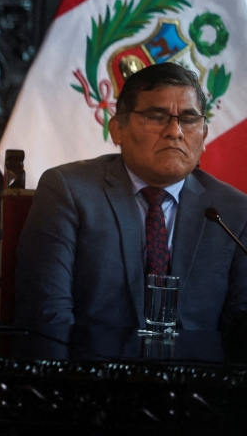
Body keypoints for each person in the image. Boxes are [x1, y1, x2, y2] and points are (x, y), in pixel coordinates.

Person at [15, 62, 247, 332]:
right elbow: (47, 315)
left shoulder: (232, 211)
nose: (174, 132)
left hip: (196, 371)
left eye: (188, 119)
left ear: (204, 135)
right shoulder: (70, 191)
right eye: (156, 116)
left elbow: (240, 330)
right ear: (118, 129)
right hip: (91, 370)